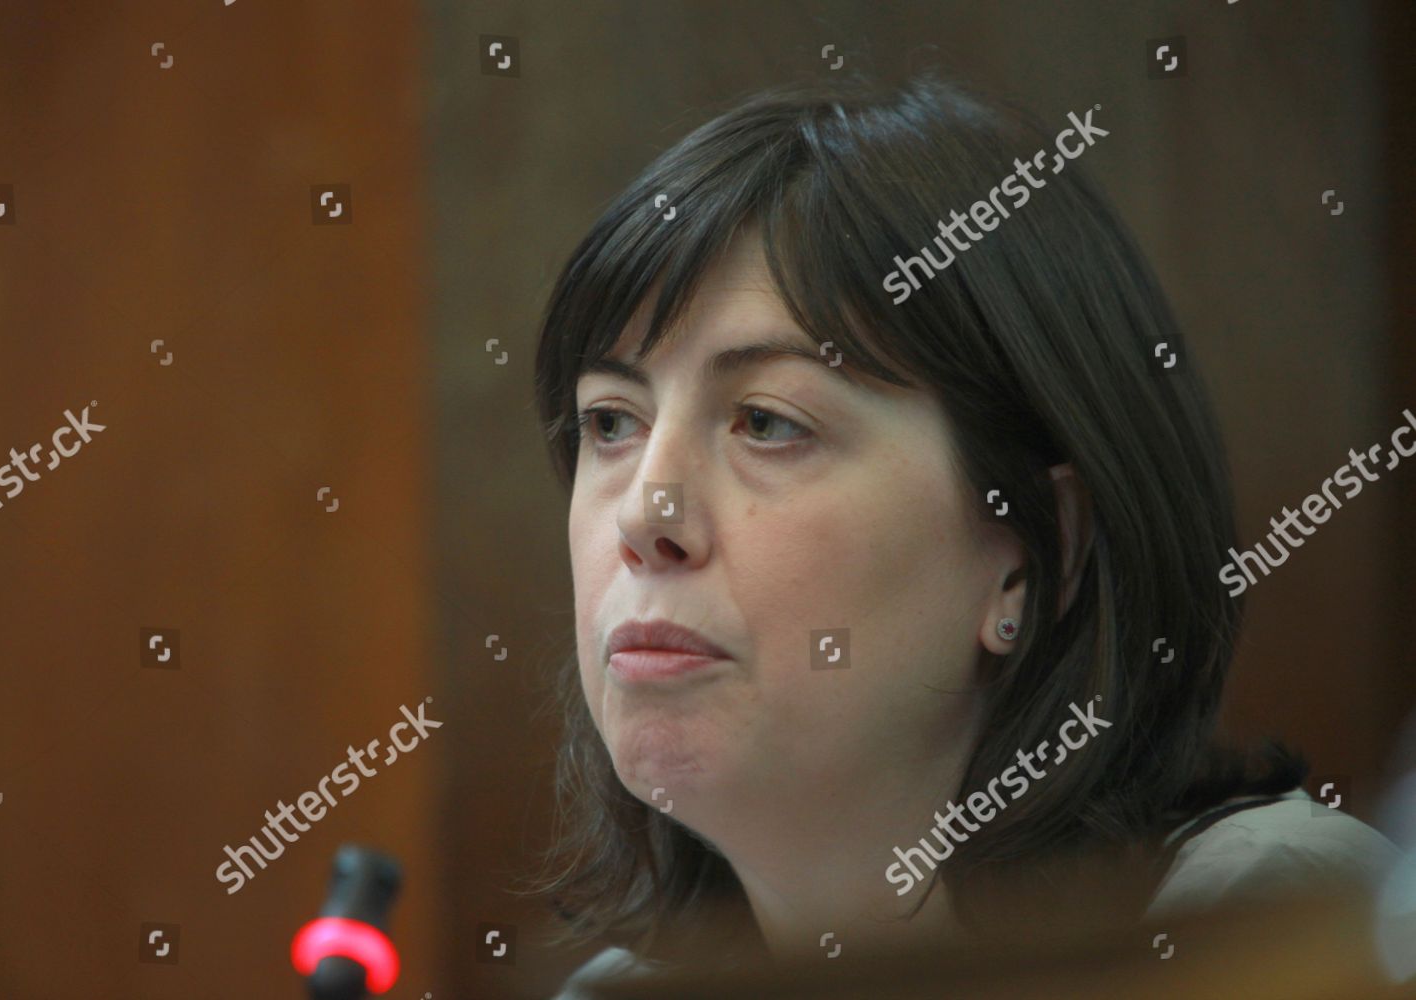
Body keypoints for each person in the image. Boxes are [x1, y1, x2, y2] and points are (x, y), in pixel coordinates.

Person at [524, 71, 1403, 997]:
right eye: (611, 422)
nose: (642, 518)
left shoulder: (1283, 929)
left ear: (1033, 556)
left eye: (768, 421)